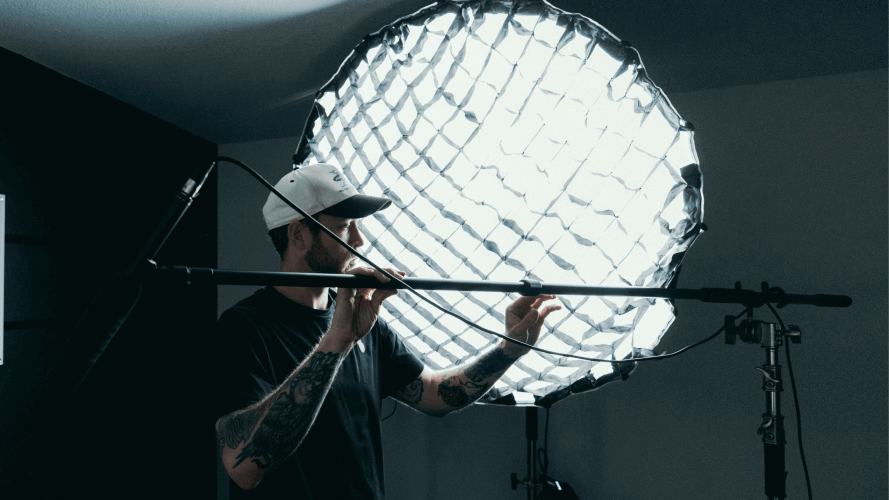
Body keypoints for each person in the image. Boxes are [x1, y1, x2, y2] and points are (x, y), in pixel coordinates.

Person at [214, 163, 560, 499]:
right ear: (299, 234)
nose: (360, 241)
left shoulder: (360, 317)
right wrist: (338, 341)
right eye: (346, 227)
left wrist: (508, 350)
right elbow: (243, 469)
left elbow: (434, 395)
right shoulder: (244, 327)